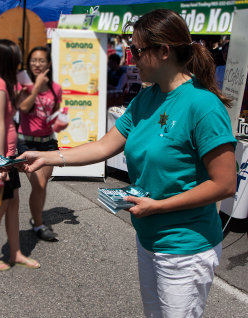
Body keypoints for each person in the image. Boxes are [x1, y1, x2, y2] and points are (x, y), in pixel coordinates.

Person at [18, 9, 236, 317]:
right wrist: (46, 157)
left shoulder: (202, 105)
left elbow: (225, 184)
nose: (129, 56)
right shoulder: (146, 98)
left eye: (136, 49)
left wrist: (158, 206)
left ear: (163, 51)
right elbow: (105, 146)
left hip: (185, 248)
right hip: (149, 237)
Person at [0, 39, 40, 271]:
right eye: (16, 60)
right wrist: (2, 164)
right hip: (0, 157)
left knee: (12, 204)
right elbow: (0, 127)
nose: (19, 64)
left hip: (5, 156)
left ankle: (15, 252)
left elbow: (22, 104)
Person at [17, 46, 62, 241]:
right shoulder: (22, 84)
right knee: (39, 184)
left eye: (41, 60)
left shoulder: (55, 88)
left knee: (42, 186)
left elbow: (56, 112)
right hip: (27, 144)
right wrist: (36, 87)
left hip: (49, 143)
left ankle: (37, 219)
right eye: (33, 60)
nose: (37, 64)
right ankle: (38, 225)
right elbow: (24, 107)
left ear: (49, 64)